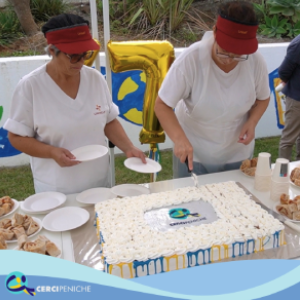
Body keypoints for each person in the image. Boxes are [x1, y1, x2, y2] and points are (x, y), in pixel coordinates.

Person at [4, 13, 146, 194]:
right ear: (53, 50)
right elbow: (16, 137)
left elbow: (108, 120)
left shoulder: (95, 78)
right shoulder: (31, 86)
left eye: (85, 54)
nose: (81, 62)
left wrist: (129, 148)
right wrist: (51, 152)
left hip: (98, 182)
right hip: (56, 188)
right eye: (73, 56)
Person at [154, 1, 270, 178]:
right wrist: (179, 139)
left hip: (236, 152)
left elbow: (263, 98)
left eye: (238, 54)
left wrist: (252, 121)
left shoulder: (255, 61)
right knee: (191, 203)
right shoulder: (191, 60)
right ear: (215, 32)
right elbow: (162, 104)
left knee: (235, 202)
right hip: (194, 151)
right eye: (224, 51)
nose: (229, 59)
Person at [278, 34, 300, 161]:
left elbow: (284, 71)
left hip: (296, 97)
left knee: (288, 139)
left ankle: (293, 173)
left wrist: (285, 80)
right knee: (289, 139)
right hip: (297, 98)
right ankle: (283, 175)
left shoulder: (298, 43)